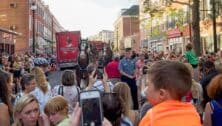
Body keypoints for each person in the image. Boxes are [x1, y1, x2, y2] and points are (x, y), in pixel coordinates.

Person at [139, 60, 201, 126]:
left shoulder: (151, 117)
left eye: (148, 85)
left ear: (161, 94)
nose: (146, 90)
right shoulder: (193, 114)